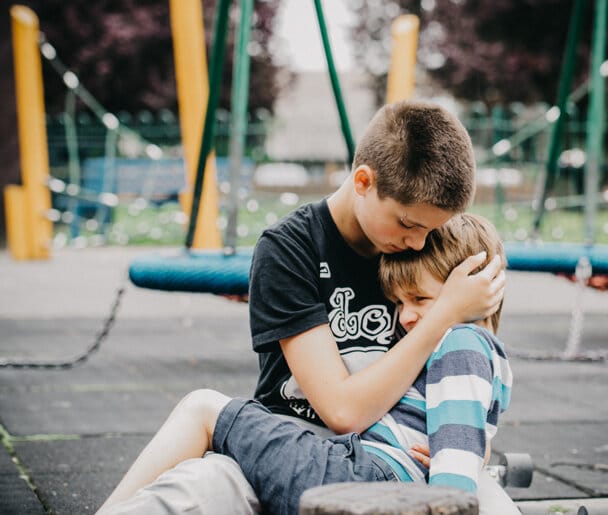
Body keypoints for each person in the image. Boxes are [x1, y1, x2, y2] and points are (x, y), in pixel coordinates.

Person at [101, 100, 511, 513]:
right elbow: (341, 410)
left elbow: (468, 376)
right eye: (408, 224)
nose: (419, 242)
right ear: (364, 181)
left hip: (396, 454)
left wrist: (467, 441)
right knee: (195, 490)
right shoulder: (289, 248)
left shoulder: (424, 247)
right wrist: (443, 313)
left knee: (488, 505)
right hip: (298, 432)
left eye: (431, 229)